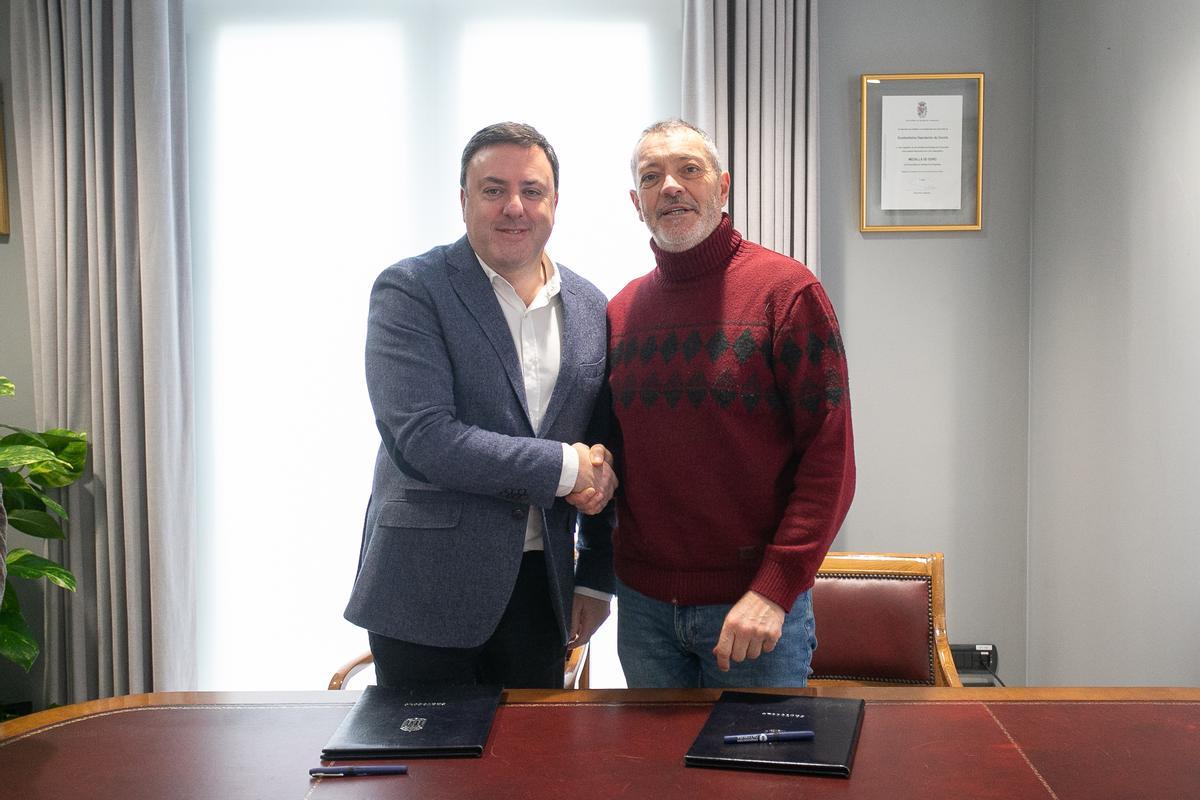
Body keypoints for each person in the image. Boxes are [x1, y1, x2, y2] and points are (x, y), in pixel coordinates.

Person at [344, 122, 616, 689]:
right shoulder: (411, 290)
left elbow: (607, 447)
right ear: (464, 200)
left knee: (530, 772)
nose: (514, 206)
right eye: (493, 190)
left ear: (555, 203)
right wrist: (567, 469)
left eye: (532, 191)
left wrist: (593, 577)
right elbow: (425, 438)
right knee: (428, 777)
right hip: (424, 589)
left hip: (542, 593)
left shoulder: (591, 305)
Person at [607, 119, 855, 688]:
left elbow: (830, 463)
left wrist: (774, 588)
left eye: (688, 170)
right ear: (635, 202)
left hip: (754, 613)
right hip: (643, 613)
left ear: (722, 188)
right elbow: (618, 461)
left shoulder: (788, 294)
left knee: (758, 778)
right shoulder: (621, 314)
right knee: (653, 777)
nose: (670, 186)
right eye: (652, 176)